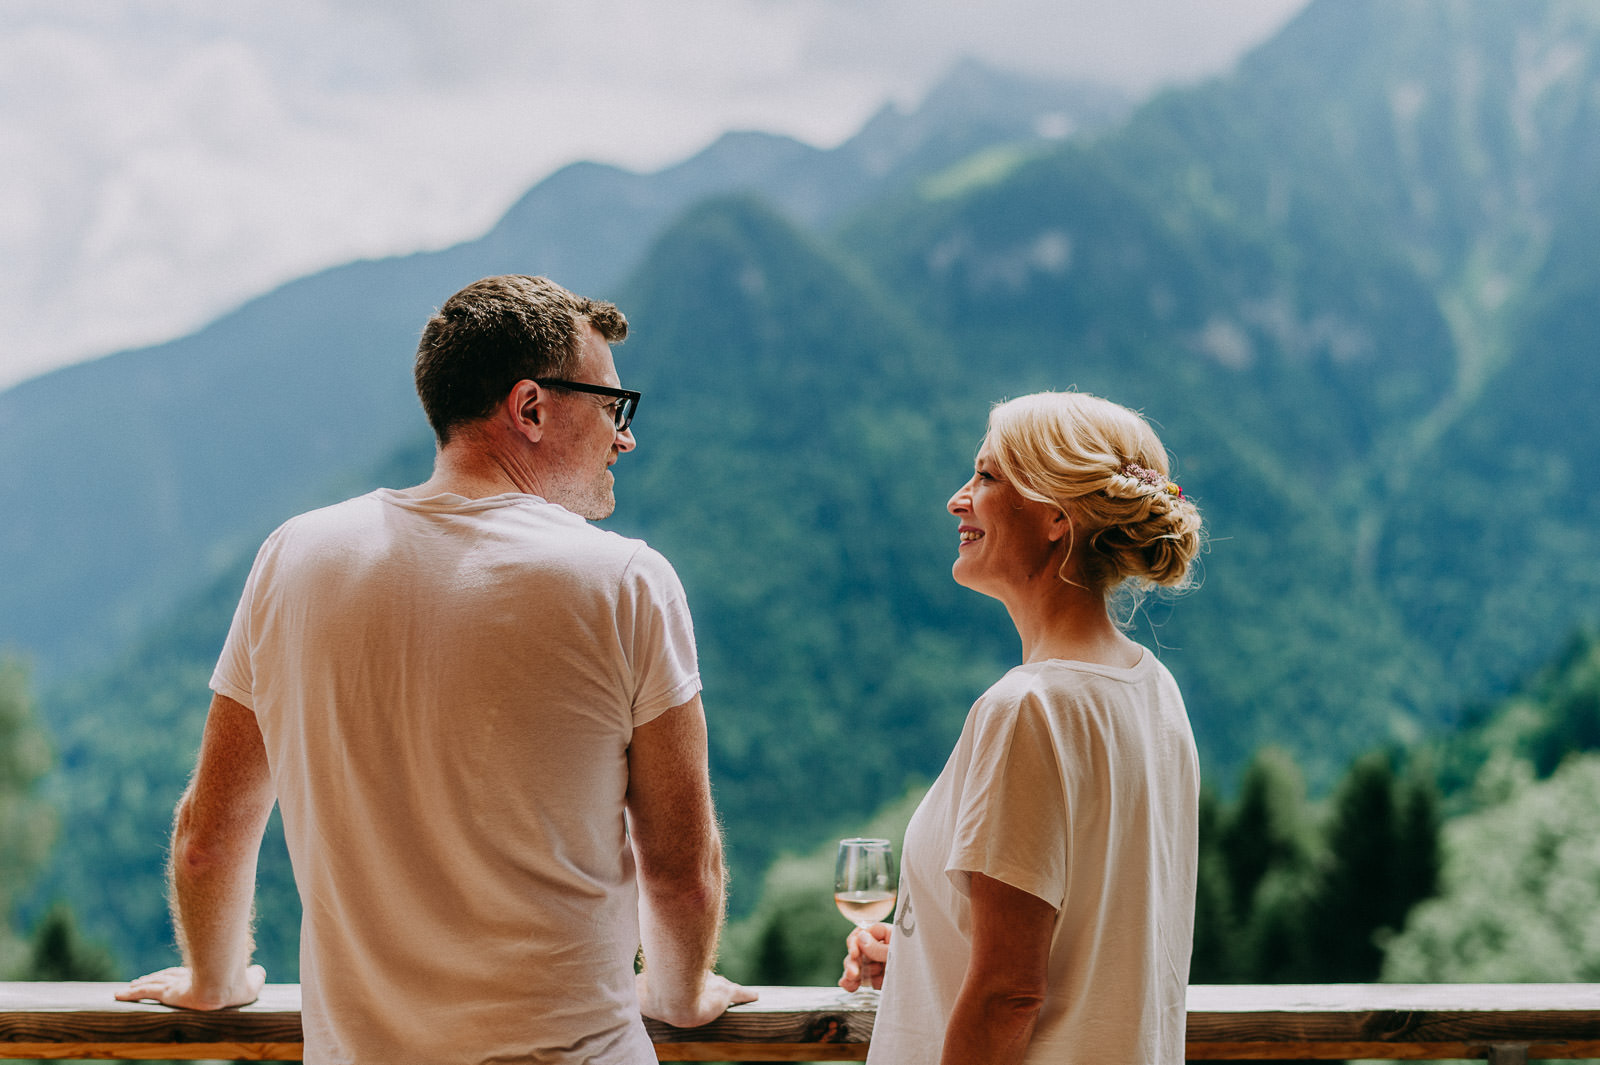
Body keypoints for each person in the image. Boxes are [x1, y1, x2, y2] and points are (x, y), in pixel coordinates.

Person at [117, 275, 755, 1064]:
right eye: (611, 406)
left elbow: (208, 838)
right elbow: (683, 869)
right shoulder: (626, 581)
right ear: (531, 407)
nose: (625, 437)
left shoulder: (295, 556)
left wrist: (211, 981)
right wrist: (682, 995)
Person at [839, 391, 1204, 1065]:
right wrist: (927, 956)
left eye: (986, 476)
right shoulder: (1154, 690)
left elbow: (1010, 994)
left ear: (1057, 517)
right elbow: (1089, 940)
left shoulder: (1027, 708)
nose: (958, 499)